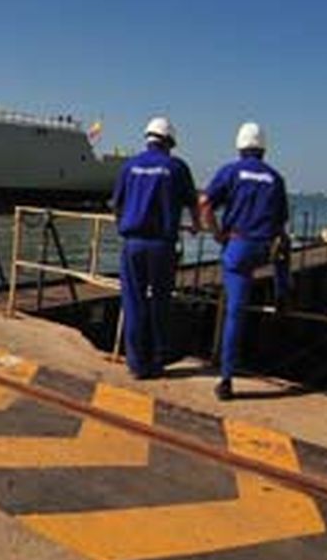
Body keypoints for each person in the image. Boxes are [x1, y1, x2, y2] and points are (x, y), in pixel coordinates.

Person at [199, 122, 289, 401]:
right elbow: (280, 223)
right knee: (284, 246)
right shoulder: (276, 178)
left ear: (240, 146)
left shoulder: (231, 171)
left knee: (234, 315)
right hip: (264, 249)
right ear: (263, 148)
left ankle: (226, 380)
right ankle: (282, 293)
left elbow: (205, 204)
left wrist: (217, 234)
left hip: (237, 249)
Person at [112, 116, 199, 379]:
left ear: (148, 137)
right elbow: (193, 204)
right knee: (160, 302)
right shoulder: (176, 167)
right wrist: (195, 226)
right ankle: (158, 360)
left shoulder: (129, 166)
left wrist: (122, 229)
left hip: (133, 244)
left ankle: (137, 365)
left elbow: (116, 204)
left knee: (134, 301)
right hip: (162, 246)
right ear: (169, 141)